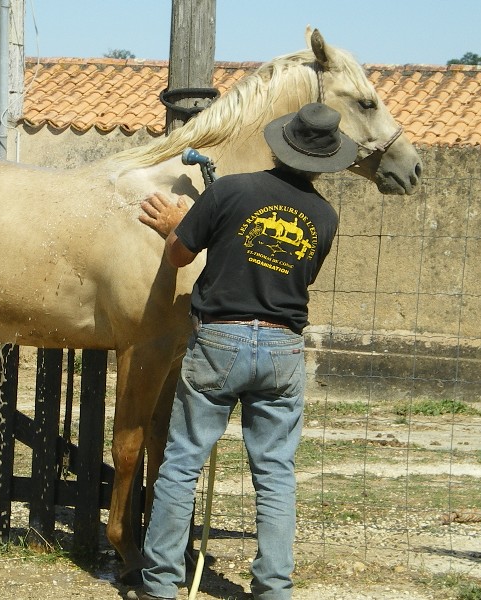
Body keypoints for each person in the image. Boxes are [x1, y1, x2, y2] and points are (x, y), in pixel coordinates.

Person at [129, 103, 358, 600]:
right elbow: (293, 276)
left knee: (182, 460)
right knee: (275, 473)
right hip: (282, 349)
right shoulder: (325, 216)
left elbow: (179, 254)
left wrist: (174, 222)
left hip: (220, 341)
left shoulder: (230, 190)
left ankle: (160, 585)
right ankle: (274, 588)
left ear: (280, 144)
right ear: (326, 159)